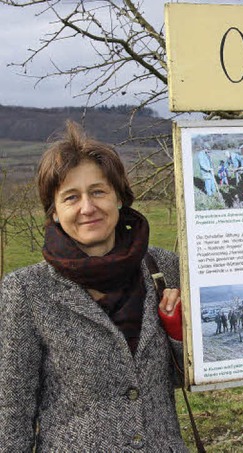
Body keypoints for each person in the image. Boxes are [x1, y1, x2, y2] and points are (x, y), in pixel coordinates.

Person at [0, 121, 187, 451]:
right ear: (55, 212)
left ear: (118, 198)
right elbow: (10, 413)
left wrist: (178, 335)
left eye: (98, 191)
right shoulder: (24, 292)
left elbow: (187, 378)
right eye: (71, 197)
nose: (88, 207)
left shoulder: (163, 269)